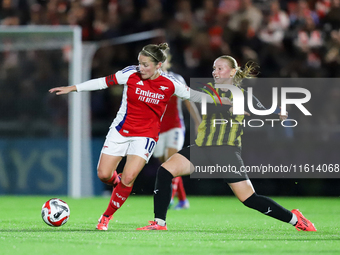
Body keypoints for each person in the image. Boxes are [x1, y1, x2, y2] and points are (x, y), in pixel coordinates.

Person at [49, 43, 227, 231]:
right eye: (139, 63)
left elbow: (195, 96)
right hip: (120, 131)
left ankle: (106, 217)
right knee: (104, 175)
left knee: (129, 178)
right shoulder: (130, 73)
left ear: (159, 65)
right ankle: (117, 183)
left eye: (145, 65)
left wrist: (222, 101)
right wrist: (73, 88)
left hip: (145, 137)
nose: (140, 68)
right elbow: (103, 82)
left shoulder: (170, 83)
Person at [137, 55, 317, 232]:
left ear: (232, 72)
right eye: (214, 68)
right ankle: (159, 223)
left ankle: (295, 219)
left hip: (226, 152)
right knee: (165, 170)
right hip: (202, 148)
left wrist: (278, 114)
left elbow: (262, 111)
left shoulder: (244, 96)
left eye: (219, 68)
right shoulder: (209, 89)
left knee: (249, 199)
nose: (215, 72)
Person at [153, 51, 201, 210]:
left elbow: (188, 101)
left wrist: (198, 122)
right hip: (158, 129)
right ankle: (183, 200)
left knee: (171, 161)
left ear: (167, 63)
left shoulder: (176, 79)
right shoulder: (149, 81)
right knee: (164, 163)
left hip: (175, 126)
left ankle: (168, 198)